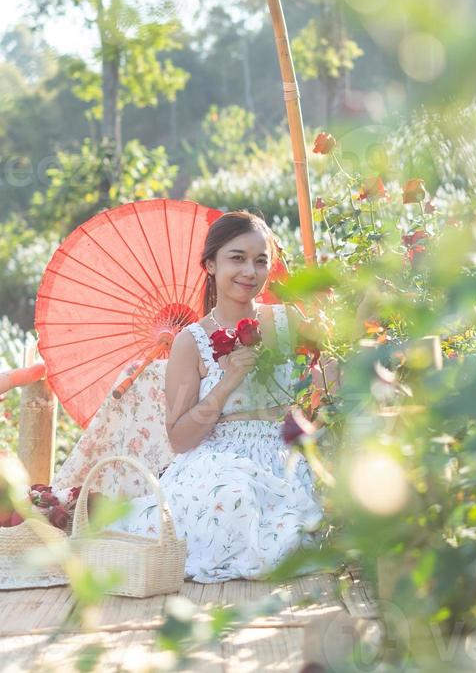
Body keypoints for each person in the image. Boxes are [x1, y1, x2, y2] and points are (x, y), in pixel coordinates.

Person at [96, 210, 325, 583]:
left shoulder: (289, 322)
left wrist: (342, 357)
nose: (250, 272)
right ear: (210, 265)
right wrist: (227, 381)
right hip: (220, 459)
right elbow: (180, 438)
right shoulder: (192, 342)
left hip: (284, 454)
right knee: (234, 497)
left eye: (260, 261)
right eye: (237, 258)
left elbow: (318, 388)